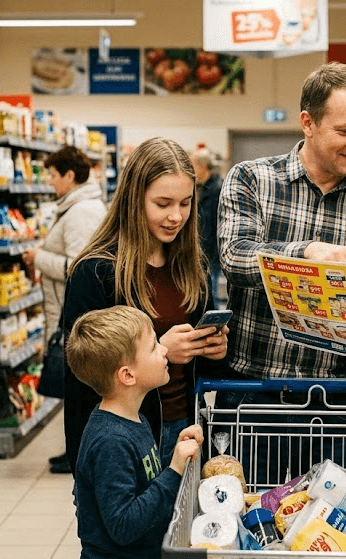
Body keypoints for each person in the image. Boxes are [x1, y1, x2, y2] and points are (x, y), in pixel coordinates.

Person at [217, 62, 346, 486]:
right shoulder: (252, 180)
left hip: (336, 403)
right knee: (249, 530)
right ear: (308, 123)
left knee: (327, 533)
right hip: (254, 393)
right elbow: (234, 256)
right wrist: (305, 254)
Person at [62, 137, 228, 475]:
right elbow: (81, 373)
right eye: (163, 203)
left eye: (185, 203)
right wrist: (161, 351)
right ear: (133, 200)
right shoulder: (97, 272)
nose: (176, 216)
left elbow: (198, 370)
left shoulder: (191, 266)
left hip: (184, 428)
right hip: (122, 439)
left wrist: (214, 348)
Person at [66, 305, 203, 559]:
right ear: (128, 375)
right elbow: (124, 526)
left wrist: (175, 454)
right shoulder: (111, 441)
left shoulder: (134, 418)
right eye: (153, 347)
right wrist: (174, 471)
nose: (164, 349)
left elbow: (143, 482)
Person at [21, 146, 108, 474]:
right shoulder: (73, 207)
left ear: (70, 176)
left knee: (80, 387)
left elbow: (81, 266)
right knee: (76, 390)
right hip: (65, 309)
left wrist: (39, 258)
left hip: (75, 313)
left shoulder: (82, 212)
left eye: (54, 175)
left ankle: (79, 453)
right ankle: (73, 449)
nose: (50, 181)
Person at [192, 147, 223, 308]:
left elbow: (217, 225)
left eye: (193, 165)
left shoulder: (217, 189)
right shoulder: (200, 187)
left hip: (211, 251)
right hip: (200, 250)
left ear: (201, 166)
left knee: (210, 294)